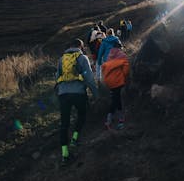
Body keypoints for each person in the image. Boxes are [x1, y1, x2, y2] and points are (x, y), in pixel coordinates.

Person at [55, 38, 98, 166]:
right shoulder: (82, 58)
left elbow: (57, 77)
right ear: (80, 46)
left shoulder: (61, 59)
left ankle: (65, 155)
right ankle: (74, 138)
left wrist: (60, 90)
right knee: (82, 114)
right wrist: (96, 94)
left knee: (64, 123)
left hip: (63, 94)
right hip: (78, 93)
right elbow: (89, 78)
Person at [101, 42, 130, 130]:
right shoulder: (122, 55)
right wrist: (124, 77)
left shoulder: (109, 55)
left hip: (108, 81)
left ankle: (112, 120)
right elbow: (126, 70)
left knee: (115, 98)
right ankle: (115, 121)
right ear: (120, 47)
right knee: (116, 99)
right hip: (117, 80)